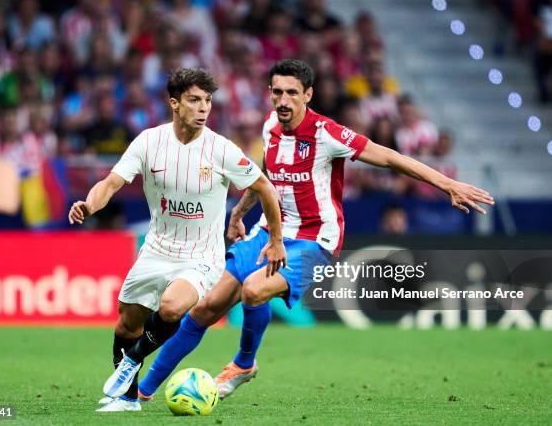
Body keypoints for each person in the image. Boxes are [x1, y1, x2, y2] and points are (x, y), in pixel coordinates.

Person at [132, 59, 495, 402]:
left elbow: (389, 157)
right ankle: (141, 391)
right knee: (206, 307)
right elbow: (266, 175)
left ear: (308, 94)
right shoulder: (269, 127)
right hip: (267, 230)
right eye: (277, 92)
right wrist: (241, 210)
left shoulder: (327, 134)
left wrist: (446, 183)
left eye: (292, 93)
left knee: (254, 291)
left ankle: (244, 363)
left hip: (314, 241)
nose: (283, 100)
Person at [67, 68, 286, 412]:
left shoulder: (220, 149)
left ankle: (132, 362)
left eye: (208, 101)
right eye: (194, 100)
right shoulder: (148, 142)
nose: (203, 108)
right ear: (174, 102)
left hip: (202, 255)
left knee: (171, 306)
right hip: (156, 249)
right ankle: (127, 400)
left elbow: (265, 188)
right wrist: (88, 205)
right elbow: (110, 183)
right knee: (127, 323)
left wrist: (275, 239)